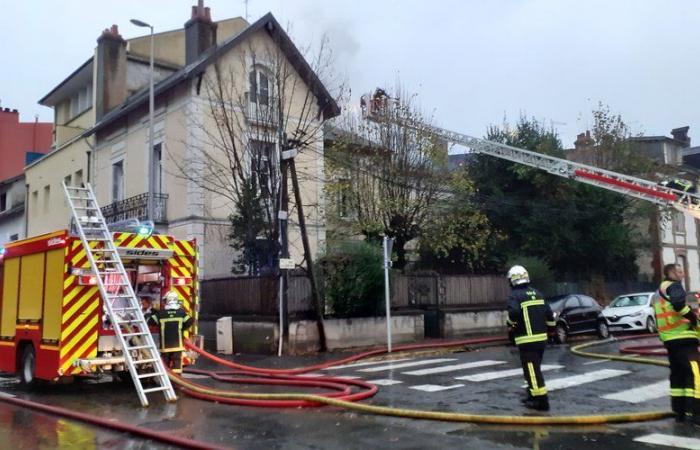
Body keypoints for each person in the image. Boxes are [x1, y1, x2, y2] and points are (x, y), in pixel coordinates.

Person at [655, 263, 700, 426]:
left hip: (670, 339)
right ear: (672, 273)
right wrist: (693, 318)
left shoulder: (659, 291)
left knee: (678, 375)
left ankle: (680, 413)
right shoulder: (674, 286)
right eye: (680, 271)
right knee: (695, 374)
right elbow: (679, 304)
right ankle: (695, 413)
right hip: (684, 338)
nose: (682, 274)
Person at [506, 265, 556, 411]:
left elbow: (513, 314)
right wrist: (551, 332)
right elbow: (550, 315)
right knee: (534, 369)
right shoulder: (538, 293)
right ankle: (531, 395)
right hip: (541, 340)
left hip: (527, 340)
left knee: (532, 371)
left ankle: (540, 401)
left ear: (513, 280)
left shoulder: (515, 296)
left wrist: (511, 325)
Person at [149, 291, 193, 374]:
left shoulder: (161, 314)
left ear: (168, 301)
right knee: (177, 365)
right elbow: (190, 321)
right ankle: (177, 382)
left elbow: (151, 321)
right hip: (177, 345)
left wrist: (153, 311)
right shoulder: (181, 313)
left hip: (165, 346)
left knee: (165, 365)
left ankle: (167, 380)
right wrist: (182, 329)